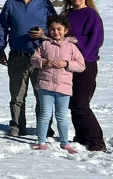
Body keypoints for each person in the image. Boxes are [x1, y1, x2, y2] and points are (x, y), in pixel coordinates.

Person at [0, 0, 56, 137]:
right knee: (17, 96)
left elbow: (57, 29)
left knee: (42, 97)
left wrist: (43, 34)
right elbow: (2, 27)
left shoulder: (45, 4)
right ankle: (16, 127)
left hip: (42, 57)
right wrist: (0, 49)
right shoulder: (11, 3)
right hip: (17, 57)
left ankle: (44, 129)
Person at [62, 0, 106, 151]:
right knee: (73, 103)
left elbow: (95, 41)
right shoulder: (66, 15)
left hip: (85, 64)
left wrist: (73, 44)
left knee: (81, 104)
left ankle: (97, 142)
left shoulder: (91, 15)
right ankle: (81, 137)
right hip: (67, 65)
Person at [31, 14, 85, 153]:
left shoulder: (72, 47)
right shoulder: (45, 44)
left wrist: (65, 63)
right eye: (53, 29)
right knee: (45, 114)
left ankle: (64, 142)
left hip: (63, 87)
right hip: (45, 86)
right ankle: (41, 141)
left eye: (59, 29)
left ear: (66, 30)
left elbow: (81, 65)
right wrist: (44, 62)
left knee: (61, 116)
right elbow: (34, 59)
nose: (56, 32)